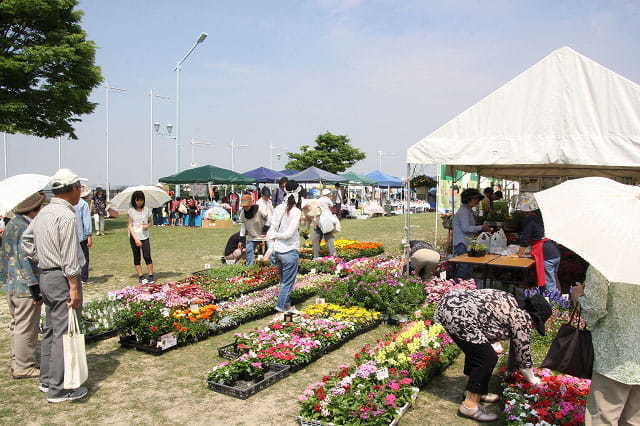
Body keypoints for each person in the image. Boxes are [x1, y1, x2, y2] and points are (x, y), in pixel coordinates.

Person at [21, 168, 88, 403]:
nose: (80, 191)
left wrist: (40, 258)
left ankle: (47, 379)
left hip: (46, 276)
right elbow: (70, 256)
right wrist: (74, 286)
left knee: (50, 328)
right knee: (63, 332)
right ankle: (59, 389)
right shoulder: (66, 215)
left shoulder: (44, 212)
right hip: (61, 277)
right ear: (71, 189)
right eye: (79, 187)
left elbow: (26, 240)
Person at [436, 289, 552, 422]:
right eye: (536, 325)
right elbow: (523, 357)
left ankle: (472, 391)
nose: (533, 328)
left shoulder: (515, 301)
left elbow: (491, 319)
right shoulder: (523, 318)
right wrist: (534, 381)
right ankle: (469, 406)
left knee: (478, 350)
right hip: (457, 313)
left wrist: (499, 350)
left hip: (451, 303)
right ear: (535, 319)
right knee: (486, 358)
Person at [572, 267, 640, 425]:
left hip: (614, 357)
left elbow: (595, 308)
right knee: (634, 421)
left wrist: (578, 296)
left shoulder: (605, 263)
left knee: (602, 420)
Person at [2, 192, 45, 380]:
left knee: (17, 325)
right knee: (26, 327)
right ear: (35, 209)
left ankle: (17, 360)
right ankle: (24, 366)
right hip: (25, 287)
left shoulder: (12, 224)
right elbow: (25, 259)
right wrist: (34, 286)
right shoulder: (24, 227)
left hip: (11, 285)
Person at [266, 179, 302, 316]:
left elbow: (272, 228)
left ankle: (288, 306)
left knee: (283, 281)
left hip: (277, 251)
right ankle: (281, 308)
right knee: (287, 283)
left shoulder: (278, 208)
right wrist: (276, 234)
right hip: (289, 251)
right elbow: (288, 234)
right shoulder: (296, 211)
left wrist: (272, 238)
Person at [516, 194, 561, 295]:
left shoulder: (529, 219)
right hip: (554, 252)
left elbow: (525, 238)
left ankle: (551, 307)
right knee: (554, 278)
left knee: (549, 284)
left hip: (546, 254)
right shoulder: (540, 217)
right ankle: (559, 302)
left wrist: (519, 254)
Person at [452, 188, 491, 279]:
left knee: (467, 267)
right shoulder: (464, 211)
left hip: (465, 242)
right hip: (461, 243)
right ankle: (458, 286)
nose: (477, 202)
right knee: (464, 267)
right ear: (470, 199)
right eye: (476, 199)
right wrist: (481, 227)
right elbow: (466, 228)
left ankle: (463, 286)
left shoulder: (468, 210)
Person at [128, 191, 154, 284]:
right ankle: (141, 276)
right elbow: (130, 226)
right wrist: (136, 239)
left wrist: (148, 225)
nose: (139, 202)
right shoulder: (131, 211)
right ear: (134, 200)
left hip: (145, 236)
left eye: (141, 200)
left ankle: (151, 275)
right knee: (137, 257)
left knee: (147, 256)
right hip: (134, 237)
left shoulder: (147, 209)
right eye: (137, 200)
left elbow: (151, 221)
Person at [238, 194, 270, 265]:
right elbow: (243, 228)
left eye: (247, 206)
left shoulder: (260, 210)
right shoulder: (242, 214)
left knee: (270, 252)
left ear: (251, 204)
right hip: (252, 236)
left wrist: (264, 231)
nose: (245, 208)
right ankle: (250, 269)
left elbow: (269, 219)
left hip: (265, 234)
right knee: (249, 251)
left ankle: (270, 267)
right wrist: (241, 240)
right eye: (244, 206)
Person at [74, 185, 93, 286]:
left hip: (71, 236)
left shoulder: (69, 203)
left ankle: (75, 277)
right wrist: (89, 235)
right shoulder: (83, 204)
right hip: (82, 236)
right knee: (84, 257)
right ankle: (84, 278)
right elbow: (86, 221)